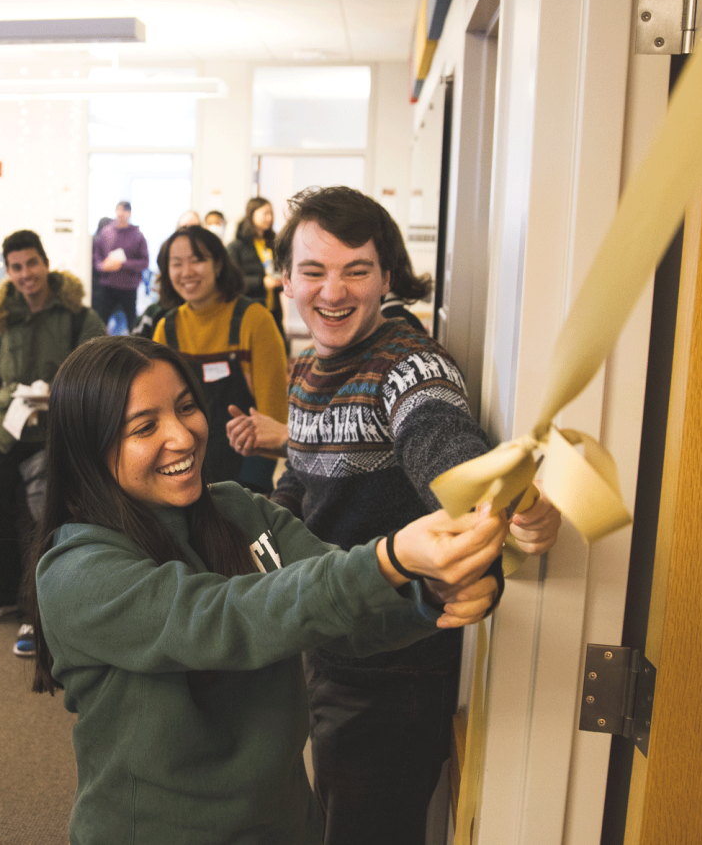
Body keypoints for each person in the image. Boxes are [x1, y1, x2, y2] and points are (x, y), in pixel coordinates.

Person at [26, 335, 506, 845]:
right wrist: (387, 559)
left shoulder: (241, 510)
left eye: (187, 408)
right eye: (145, 427)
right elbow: (222, 617)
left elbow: (348, 614)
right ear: (88, 450)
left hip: (283, 823)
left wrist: (427, 594)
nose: (183, 437)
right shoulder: (75, 569)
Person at [226, 185, 561, 844]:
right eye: (314, 271)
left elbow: (443, 444)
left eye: (356, 270)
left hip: (393, 667)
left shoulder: (409, 365)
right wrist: (262, 537)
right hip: (328, 637)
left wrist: (504, 504)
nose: (333, 292)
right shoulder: (305, 371)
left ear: (387, 277)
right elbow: (300, 475)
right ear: (286, 279)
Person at [0, 230, 104, 656]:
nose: (25, 274)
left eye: (32, 264)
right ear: (8, 272)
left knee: (39, 514)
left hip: (56, 429)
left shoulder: (76, 315)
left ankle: (37, 607)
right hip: (5, 428)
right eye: (16, 267)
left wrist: (61, 393)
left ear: (45, 264)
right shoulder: (0, 317)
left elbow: (100, 369)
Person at [152, 225, 286, 493]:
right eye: (176, 264)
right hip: (182, 472)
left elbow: (273, 413)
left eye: (197, 260)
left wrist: (250, 488)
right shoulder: (166, 329)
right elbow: (158, 413)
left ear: (219, 264)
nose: (187, 272)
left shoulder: (255, 320)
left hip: (245, 475)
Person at [228, 197, 286, 346]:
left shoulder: (273, 243)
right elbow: (232, 279)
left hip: (273, 307)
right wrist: (262, 282)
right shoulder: (237, 246)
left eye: (271, 214)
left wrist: (281, 280)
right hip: (249, 306)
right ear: (252, 213)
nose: (270, 218)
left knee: (277, 349)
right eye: (265, 213)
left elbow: (279, 268)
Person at [91, 200, 148, 334]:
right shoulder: (106, 232)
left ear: (129, 213)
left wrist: (123, 264)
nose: (121, 213)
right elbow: (97, 260)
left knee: (132, 322)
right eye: (118, 210)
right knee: (100, 322)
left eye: (124, 210)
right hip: (108, 286)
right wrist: (104, 266)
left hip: (128, 287)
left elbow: (144, 262)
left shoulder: (137, 235)